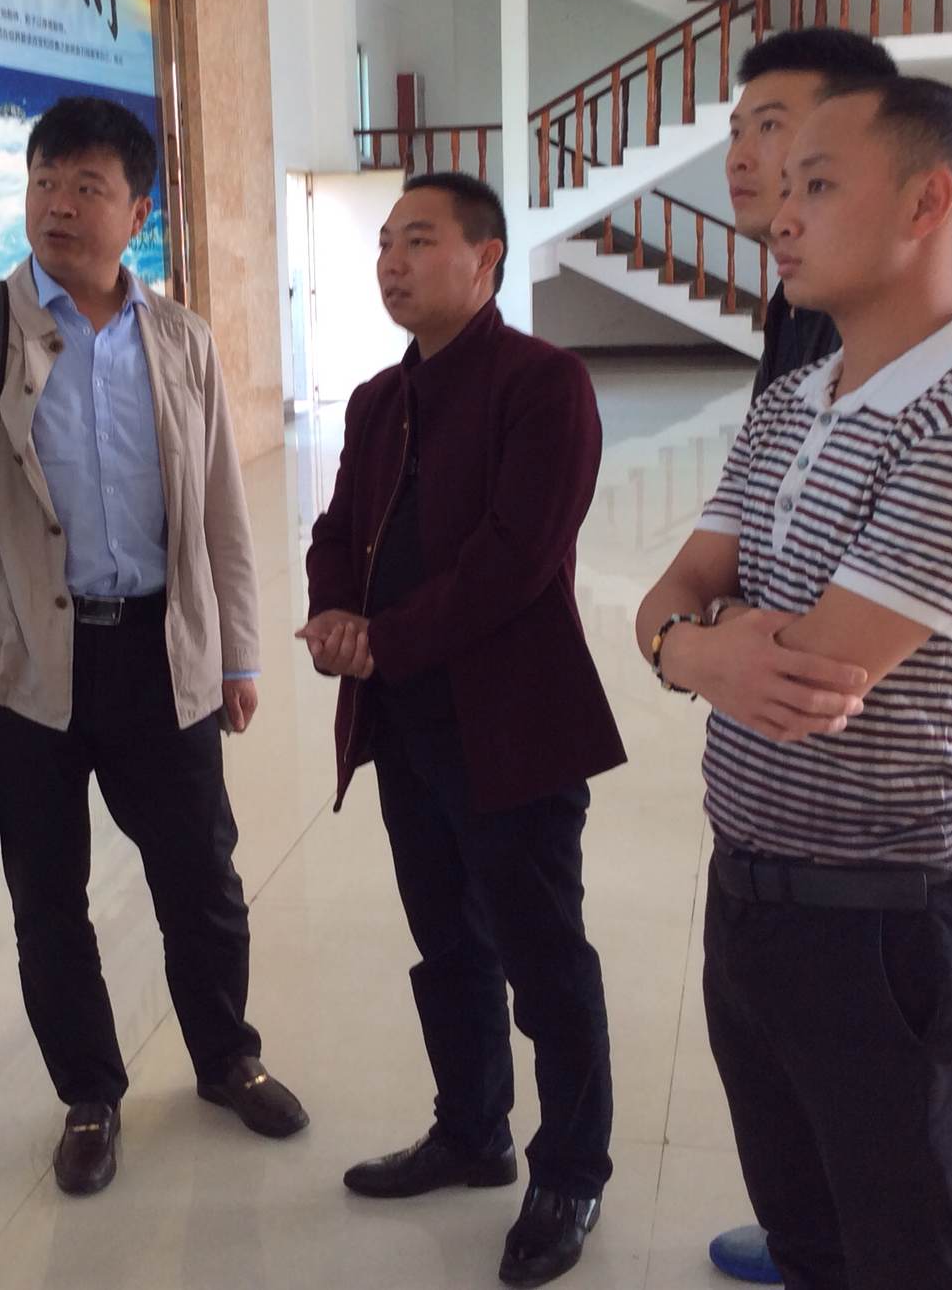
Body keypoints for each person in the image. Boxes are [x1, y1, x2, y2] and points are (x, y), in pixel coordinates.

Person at [0, 96, 305, 1197]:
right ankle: (90, 1094)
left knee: (202, 880)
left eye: (87, 187)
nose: (59, 205)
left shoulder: (180, 340)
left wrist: (237, 655)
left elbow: (219, 513)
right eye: (44, 182)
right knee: (48, 900)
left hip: (158, 653)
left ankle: (227, 1058)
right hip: (22, 664)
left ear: (138, 211)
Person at [636, 76, 952, 1289]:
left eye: (816, 185)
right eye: (782, 186)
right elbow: (669, 595)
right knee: (808, 1238)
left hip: (883, 931)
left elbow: (809, 682)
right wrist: (693, 649)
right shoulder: (793, 400)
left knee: (911, 1261)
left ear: (925, 202)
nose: (779, 214)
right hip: (750, 897)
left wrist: (691, 642)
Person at [301, 173, 624, 1288]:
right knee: (446, 941)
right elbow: (337, 527)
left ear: (484, 259)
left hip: (513, 722)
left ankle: (570, 1170)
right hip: (406, 723)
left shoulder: (544, 385)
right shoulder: (377, 401)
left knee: (543, 957)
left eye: (418, 241)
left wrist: (382, 638)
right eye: (384, 244)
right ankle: (472, 1130)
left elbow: (513, 561)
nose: (391, 263)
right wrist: (335, 615)